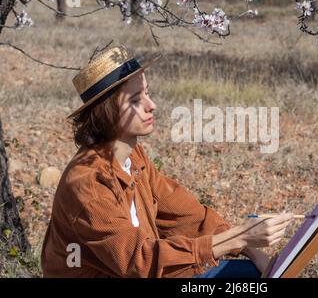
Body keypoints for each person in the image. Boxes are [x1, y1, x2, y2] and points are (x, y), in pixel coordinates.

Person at [40, 46, 293, 278]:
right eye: (136, 100)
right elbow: (140, 260)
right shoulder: (88, 184)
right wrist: (239, 237)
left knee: (248, 275)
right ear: (107, 111)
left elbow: (186, 217)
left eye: (147, 93)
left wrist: (251, 249)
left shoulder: (134, 158)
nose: (152, 105)